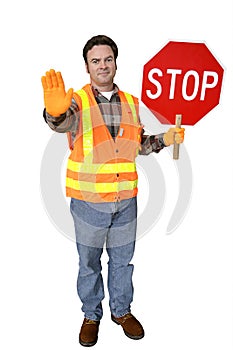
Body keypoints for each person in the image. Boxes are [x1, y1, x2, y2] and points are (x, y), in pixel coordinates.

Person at [41, 35, 184, 347]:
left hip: (126, 202)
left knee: (123, 261)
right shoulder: (77, 101)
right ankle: (92, 315)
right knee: (89, 263)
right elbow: (62, 123)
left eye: (108, 59)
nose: (102, 65)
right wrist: (53, 113)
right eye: (96, 61)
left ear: (116, 62)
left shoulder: (132, 102)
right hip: (89, 202)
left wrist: (166, 139)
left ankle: (121, 311)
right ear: (87, 66)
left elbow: (139, 145)